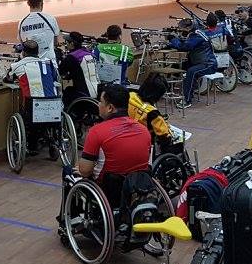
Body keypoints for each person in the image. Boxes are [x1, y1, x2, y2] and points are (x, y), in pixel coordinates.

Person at [57, 83, 152, 232]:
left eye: (101, 102)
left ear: (110, 108)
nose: (98, 105)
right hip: (136, 186)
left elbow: (85, 171)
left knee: (68, 171)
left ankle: (70, 220)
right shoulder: (143, 129)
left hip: (107, 188)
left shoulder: (97, 132)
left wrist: (81, 168)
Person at [6, 39, 61, 153]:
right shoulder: (48, 62)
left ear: (24, 53)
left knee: (24, 114)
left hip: (32, 106)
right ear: (37, 52)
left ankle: (32, 145)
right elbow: (55, 77)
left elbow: (7, 78)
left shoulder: (17, 65)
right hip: (54, 104)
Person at [166, 18, 217, 108]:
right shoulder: (197, 32)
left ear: (188, 28)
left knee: (191, 72)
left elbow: (185, 47)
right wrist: (171, 44)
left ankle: (187, 100)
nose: (181, 30)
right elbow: (186, 43)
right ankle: (169, 91)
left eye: (183, 29)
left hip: (208, 64)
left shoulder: (197, 35)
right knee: (176, 67)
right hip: (198, 62)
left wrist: (173, 39)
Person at [128, 72, 175, 151]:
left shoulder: (129, 96)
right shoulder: (153, 114)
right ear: (157, 96)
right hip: (142, 146)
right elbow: (165, 137)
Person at [17, 0, 61, 64]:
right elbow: (55, 42)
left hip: (30, 65)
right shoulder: (50, 19)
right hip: (49, 64)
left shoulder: (22, 22)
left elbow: (22, 43)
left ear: (28, 3)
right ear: (42, 3)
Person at [58, 32, 99, 105]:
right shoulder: (90, 54)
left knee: (67, 91)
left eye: (67, 42)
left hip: (83, 93)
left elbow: (60, 71)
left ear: (72, 44)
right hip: (98, 90)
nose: (66, 44)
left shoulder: (72, 57)